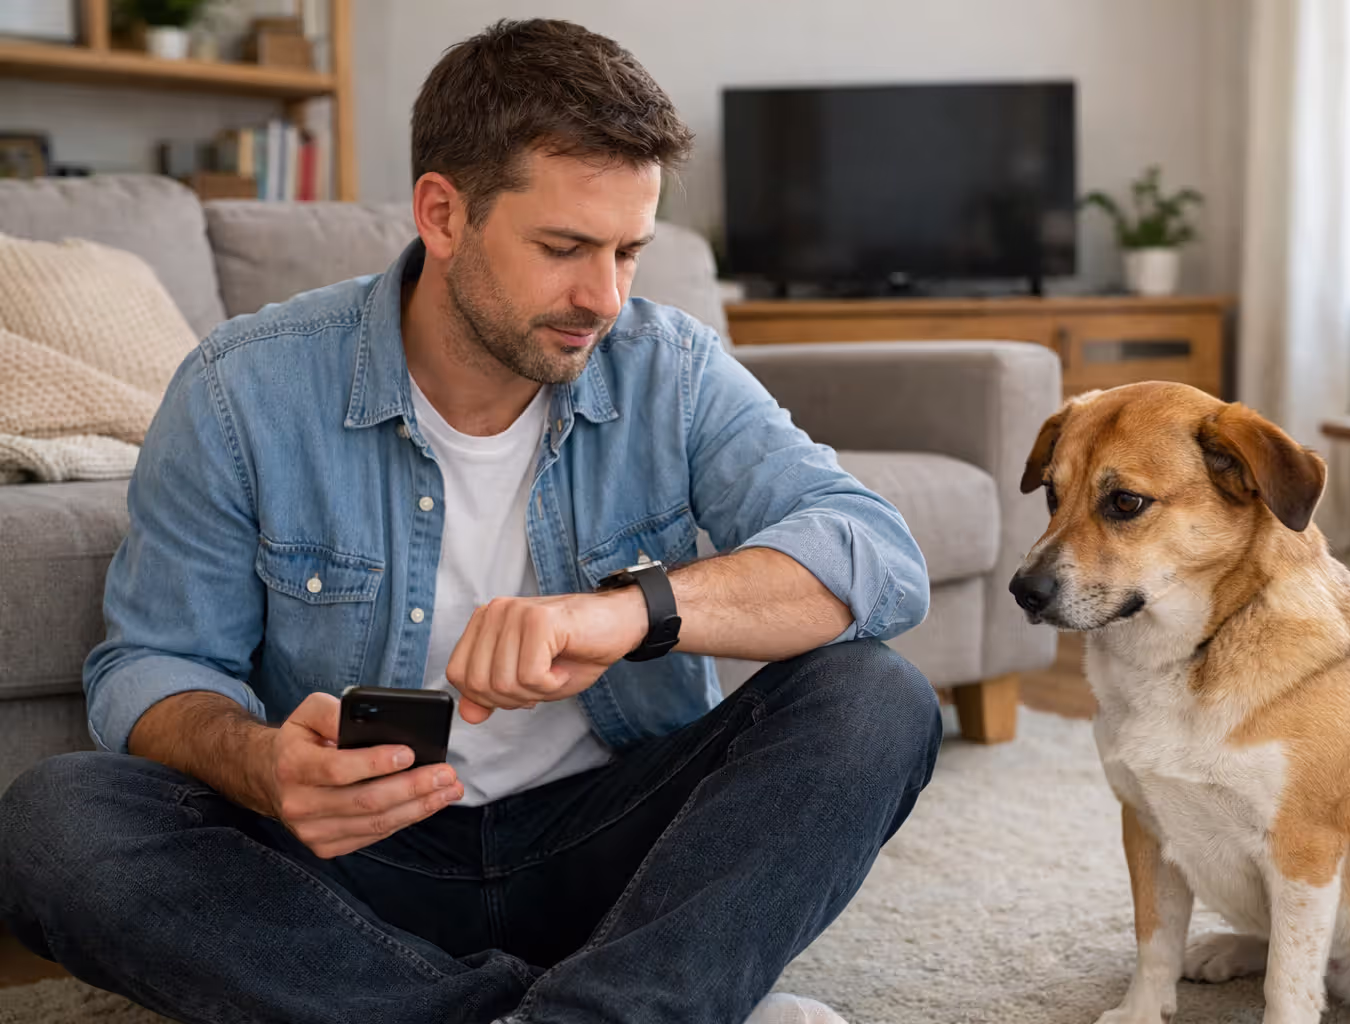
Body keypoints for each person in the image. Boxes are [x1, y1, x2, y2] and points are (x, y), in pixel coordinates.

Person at [0, 18, 940, 1024]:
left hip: (614, 847)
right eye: (564, 248)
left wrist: (626, 612)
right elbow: (152, 665)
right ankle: (621, 1004)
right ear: (442, 214)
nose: (605, 297)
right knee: (57, 822)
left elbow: (875, 554)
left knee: (875, 697)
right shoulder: (242, 390)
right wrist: (264, 767)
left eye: (629, 251)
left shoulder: (669, 367)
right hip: (351, 871)